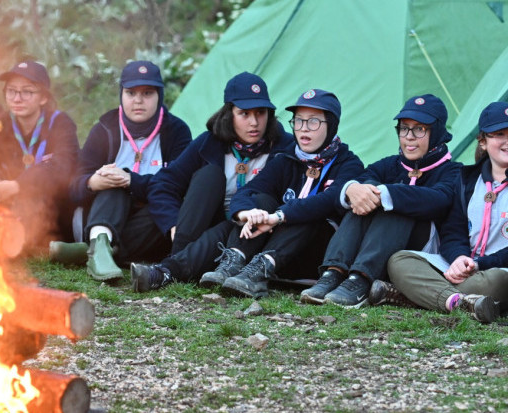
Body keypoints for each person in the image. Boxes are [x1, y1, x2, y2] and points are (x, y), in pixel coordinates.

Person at [129, 72, 295, 292]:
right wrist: (172, 224)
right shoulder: (209, 142)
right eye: (244, 114)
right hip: (204, 226)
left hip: (254, 233)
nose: (254, 122)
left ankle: (167, 271)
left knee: (257, 202)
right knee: (209, 176)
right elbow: (163, 183)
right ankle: (178, 259)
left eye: (261, 113)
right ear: (229, 114)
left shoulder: (285, 148)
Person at [299, 94, 462, 308]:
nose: (409, 137)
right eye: (404, 128)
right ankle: (333, 272)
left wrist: (386, 194)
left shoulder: (453, 171)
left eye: (419, 129)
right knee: (362, 199)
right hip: (382, 245)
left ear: (437, 132)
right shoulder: (389, 165)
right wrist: (354, 189)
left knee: (396, 205)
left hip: (423, 253)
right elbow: (361, 180)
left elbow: (440, 200)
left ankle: (361, 280)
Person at [50, 61, 192, 280]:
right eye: (131, 92)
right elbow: (73, 184)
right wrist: (92, 182)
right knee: (113, 180)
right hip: (104, 213)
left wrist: (132, 181)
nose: (138, 100)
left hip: (148, 222)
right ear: (121, 95)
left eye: (147, 93)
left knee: (163, 207)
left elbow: (180, 186)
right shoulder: (105, 128)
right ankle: (101, 244)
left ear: (160, 96)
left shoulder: (177, 132)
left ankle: (96, 251)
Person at [216, 89, 364, 298]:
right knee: (260, 200)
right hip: (281, 252)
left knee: (311, 210)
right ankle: (234, 260)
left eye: (313, 122)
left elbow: (329, 200)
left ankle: (261, 270)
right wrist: (246, 213)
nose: (304, 129)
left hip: (316, 257)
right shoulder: (284, 158)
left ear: (331, 125)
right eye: (298, 121)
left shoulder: (349, 164)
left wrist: (278, 217)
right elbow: (249, 190)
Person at [374, 101, 508, 323]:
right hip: (461, 267)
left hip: (496, 271)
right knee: (400, 260)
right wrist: (458, 258)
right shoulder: (465, 179)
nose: (506, 141)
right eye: (498, 134)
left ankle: (414, 297)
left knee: (494, 281)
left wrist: (479, 265)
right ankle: (461, 302)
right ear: (483, 141)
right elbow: (452, 230)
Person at [0, 61, 79, 252]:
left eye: (27, 92)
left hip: (51, 208)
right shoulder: (0, 125)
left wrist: (17, 186)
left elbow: (62, 167)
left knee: (37, 192)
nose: (17, 98)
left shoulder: (60, 123)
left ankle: (7, 238)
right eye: (11, 91)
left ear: (43, 98)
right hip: (9, 201)